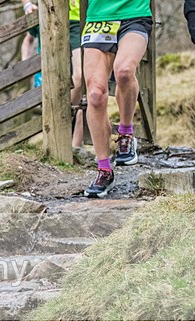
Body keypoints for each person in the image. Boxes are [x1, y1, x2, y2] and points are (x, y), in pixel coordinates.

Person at [81, 0, 152, 198]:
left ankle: (126, 134)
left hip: (134, 13)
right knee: (95, 94)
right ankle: (104, 169)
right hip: (98, 18)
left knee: (124, 71)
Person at [22, 1, 86, 153]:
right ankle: (62, 136)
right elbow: (28, 40)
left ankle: (74, 142)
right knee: (54, 88)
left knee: (80, 80)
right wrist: (27, 5)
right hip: (51, 16)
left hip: (78, 19)